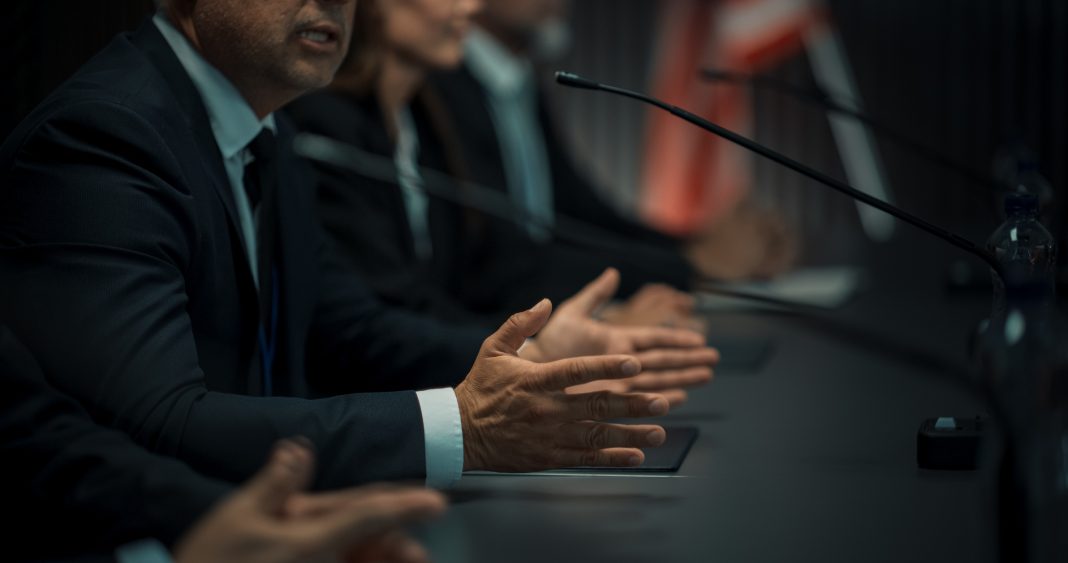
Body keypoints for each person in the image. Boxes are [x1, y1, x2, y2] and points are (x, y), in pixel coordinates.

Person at [0, 0, 717, 499]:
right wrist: (460, 427)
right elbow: (158, 421)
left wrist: (535, 356)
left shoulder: (262, 130)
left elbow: (351, 325)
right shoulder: (102, 138)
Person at [287, 0, 699, 330]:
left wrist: (593, 321)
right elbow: (385, 317)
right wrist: (540, 351)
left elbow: (489, 264)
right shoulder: (326, 126)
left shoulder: (427, 117)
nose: (471, 6)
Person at [429, 0, 796, 296]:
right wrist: (690, 265)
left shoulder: (519, 81)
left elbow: (584, 219)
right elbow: (499, 262)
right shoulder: (435, 88)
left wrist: (696, 247)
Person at [1, 324, 444, 563]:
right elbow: (162, 416)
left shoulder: (274, 163)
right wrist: (458, 421)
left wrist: (226, 517)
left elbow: (34, 439)